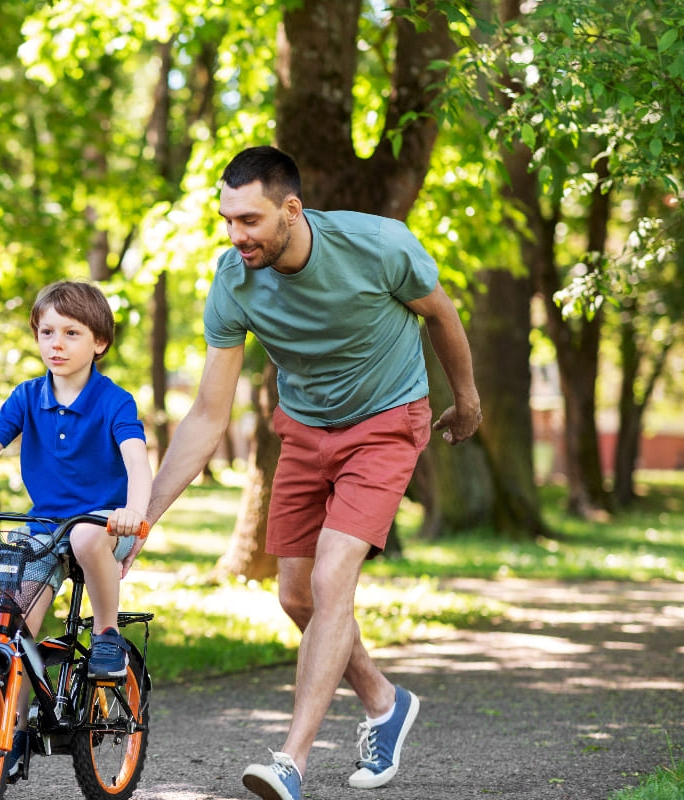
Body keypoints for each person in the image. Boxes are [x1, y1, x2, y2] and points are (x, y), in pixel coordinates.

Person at [131, 146, 482, 800]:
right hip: (303, 427)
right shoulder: (232, 280)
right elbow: (209, 415)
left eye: (250, 220)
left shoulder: (378, 245)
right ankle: (383, 700)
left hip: (386, 421)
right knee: (295, 597)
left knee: (329, 577)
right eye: (227, 220)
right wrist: (143, 516)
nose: (237, 236)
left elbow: (442, 314)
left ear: (291, 209)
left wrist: (468, 401)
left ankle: (289, 761)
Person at [0, 279, 152, 781]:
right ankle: (13, 728)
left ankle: (108, 633)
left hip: (107, 521)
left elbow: (136, 460)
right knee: (16, 629)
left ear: (100, 343)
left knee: (86, 538)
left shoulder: (114, 401)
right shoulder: (27, 396)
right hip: (45, 524)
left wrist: (134, 510)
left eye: (72, 333)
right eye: (47, 332)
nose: (57, 343)